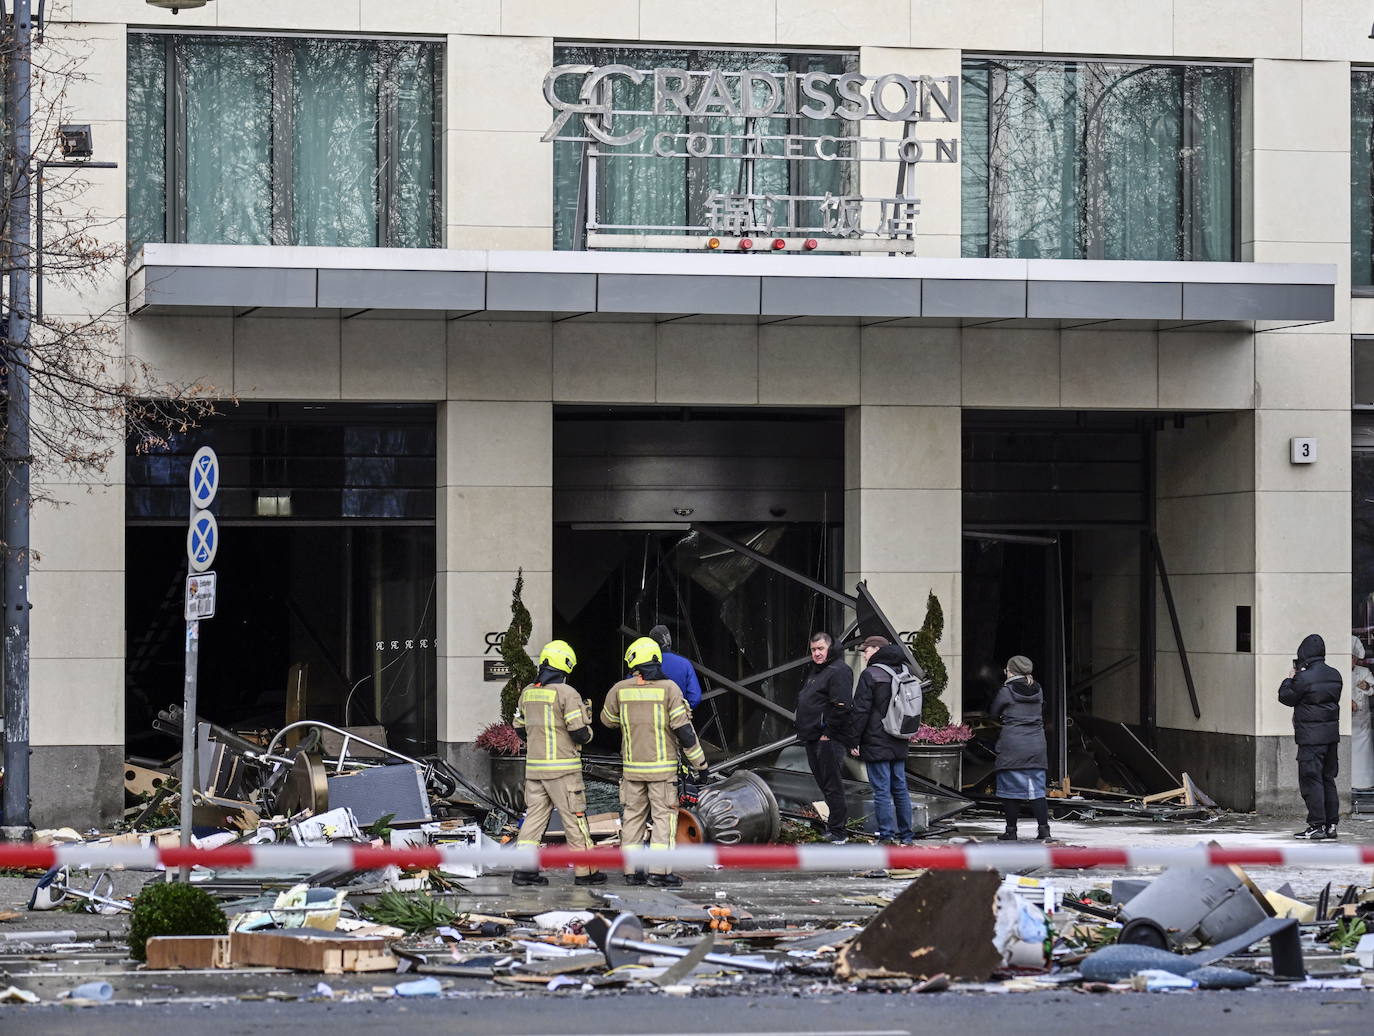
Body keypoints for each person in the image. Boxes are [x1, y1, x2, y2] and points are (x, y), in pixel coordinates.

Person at [602, 636, 707, 887]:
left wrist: (630, 721)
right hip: (662, 772)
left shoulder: (620, 689)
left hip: (632, 770)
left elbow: (607, 720)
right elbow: (685, 732)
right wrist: (700, 765)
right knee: (663, 820)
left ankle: (632, 871)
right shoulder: (670, 689)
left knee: (633, 818)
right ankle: (659, 873)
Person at [511, 640, 606, 886]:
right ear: (564, 666)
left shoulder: (528, 693)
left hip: (535, 770)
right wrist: (588, 727)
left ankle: (525, 871)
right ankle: (586, 873)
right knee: (575, 820)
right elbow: (579, 734)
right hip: (563, 771)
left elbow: (519, 729)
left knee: (533, 820)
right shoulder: (567, 693)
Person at [847, 635, 915, 845]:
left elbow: (860, 711)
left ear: (876, 650)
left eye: (866, 651)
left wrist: (853, 740)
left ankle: (886, 837)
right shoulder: (905, 671)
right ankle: (907, 836)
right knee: (900, 788)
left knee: (882, 791)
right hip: (899, 737)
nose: (864, 655)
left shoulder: (871, 674)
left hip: (876, 738)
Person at [1280, 634, 1344, 839]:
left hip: (1310, 739)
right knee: (1328, 780)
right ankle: (1331, 825)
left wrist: (1289, 679)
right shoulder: (1336, 675)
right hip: (1331, 737)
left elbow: (1286, 697)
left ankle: (1316, 825)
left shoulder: (1303, 677)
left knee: (1311, 781)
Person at [794, 631, 854, 843]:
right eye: (813, 650)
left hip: (827, 739)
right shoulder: (818, 672)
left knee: (832, 784)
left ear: (830, 648)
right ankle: (833, 827)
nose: (816, 653)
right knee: (825, 783)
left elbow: (843, 706)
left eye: (820, 649)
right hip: (813, 737)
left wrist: (828, 734)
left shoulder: (838, 671)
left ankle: (838, 831)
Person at [989, 655, 1051, 842]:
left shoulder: (1006, 691)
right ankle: (1044, 830)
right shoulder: (1038, 689)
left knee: (1010, 791)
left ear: (1010, 671)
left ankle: (1011, 831)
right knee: (1037, 791)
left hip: (1012, 745)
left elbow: (993, 713)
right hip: (1036, 745)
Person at [647, 624, 703, 708]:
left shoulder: (642, 664)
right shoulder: (684, 664)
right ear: (669, 640)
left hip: (650, 717)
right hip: (677, 718)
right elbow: (695, 698)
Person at [1354, 636, 1374, 792]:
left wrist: (1364, 685)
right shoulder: (1337, 672)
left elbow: (1372, 689)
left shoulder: (1364, 671)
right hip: (1347, 721)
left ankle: (1364, 782)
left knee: (1364, 754)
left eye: (1353, 658)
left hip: (1362, 720)